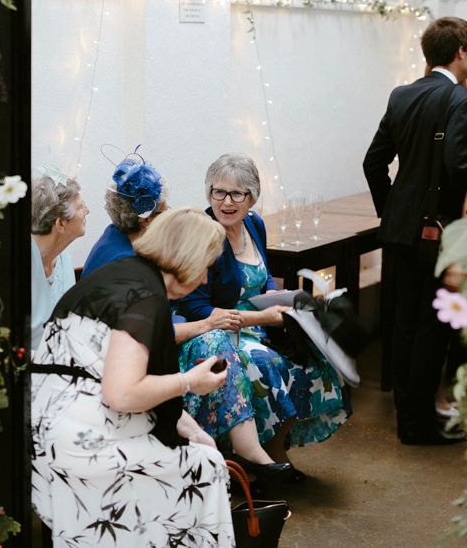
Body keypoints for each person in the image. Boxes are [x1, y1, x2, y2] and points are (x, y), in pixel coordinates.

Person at [31, 208, 235, 546]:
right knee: (208, 467)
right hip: (79, 442)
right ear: (187, 258)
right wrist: (189, 382)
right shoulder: (144, 297)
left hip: (51, 426)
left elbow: (124, 377)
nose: (204, 281)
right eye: (205, 268)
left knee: (199, 452)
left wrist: (192, 428)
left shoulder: (124, 276)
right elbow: (123, 393)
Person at [83, 153, 291, 480]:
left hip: (108, 370)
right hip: (94, 390)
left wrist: (193, 431)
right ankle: (247, 457)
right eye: (165, 212)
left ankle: (251, 456)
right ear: (147, 220)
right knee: (217, 345)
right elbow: (127, 381)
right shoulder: (134, 277)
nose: (206, 280)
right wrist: (193, 370)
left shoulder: (123, 247)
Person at [174, 153, 350, 474]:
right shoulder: (202, 233)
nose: (226, 202)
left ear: (252, 197)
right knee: (267, 364)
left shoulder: (254, 224)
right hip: (223, 331)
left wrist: (271, 292)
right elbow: (195, 307)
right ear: (209, 193)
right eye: (218, 192)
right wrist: (262, 318)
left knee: (312, 359)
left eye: (237, 194)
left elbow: (263, 273)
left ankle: (276, 450)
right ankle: (256, 459)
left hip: (262, 323)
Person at [364, 16, 467, 445]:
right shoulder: (459, 98)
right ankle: (419, 425)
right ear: (461, 52)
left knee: (403, 325)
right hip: (439, 233)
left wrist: (393, 211)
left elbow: (373, 162)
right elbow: (459, 167)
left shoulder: (402, 94)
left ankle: (409, 419)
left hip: (400, 230)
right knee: (432, 329)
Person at [31, 167, 89, 350]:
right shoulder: (25, 267)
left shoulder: (63, 258)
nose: (87, 210)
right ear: (61, 224)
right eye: (80, 207)